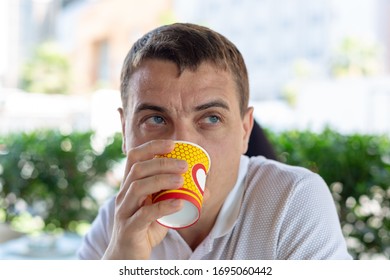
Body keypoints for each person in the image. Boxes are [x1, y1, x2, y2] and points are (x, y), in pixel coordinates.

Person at [78, 23, 351, 260]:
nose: (181, 145)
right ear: (125, 132)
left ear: (244, 131)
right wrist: (121, 260)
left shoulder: (292, 199)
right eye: (156, 119)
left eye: (211, 118)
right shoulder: (116, 220)